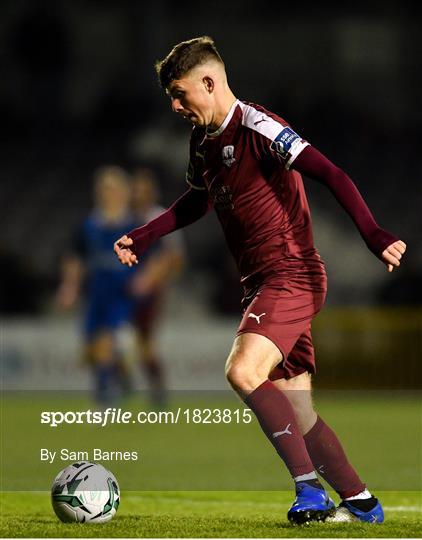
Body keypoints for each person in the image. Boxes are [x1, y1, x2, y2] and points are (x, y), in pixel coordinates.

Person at [113, 37, 406, 524]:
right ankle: (361, 504)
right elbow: (198, 199)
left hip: (291, 273)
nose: (174, 104)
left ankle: (309, 491)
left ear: (209, 82)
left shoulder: (259, 125)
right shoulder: (203, 140)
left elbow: (330, 173)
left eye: (180, 93)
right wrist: (144, 235)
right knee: (298, 410)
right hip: (262, 281)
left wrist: (372, 234)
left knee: (243, 371)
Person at [57, 165, 139, 405]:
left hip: (122, 293)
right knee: (91, 350)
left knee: (105, 342)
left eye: (113, 189)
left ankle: (104, 398)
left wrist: (144, 279)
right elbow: (75, 257)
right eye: (104, 189)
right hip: (95, 292)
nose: (108, 194)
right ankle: (122, 375)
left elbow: (150, 256)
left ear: (123, 192)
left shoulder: (133, 223)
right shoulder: (88, 224)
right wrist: (69, 286)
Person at [130, 168, 184, 406]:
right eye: (136, 190)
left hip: (150, 291)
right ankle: (122, 385)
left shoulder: (158, 216)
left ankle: (157, 390)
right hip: (124, 288)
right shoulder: (126, 216)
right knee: (122, 341)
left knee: (145, 343)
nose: (139, 194)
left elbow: (175, 257)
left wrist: (152, 280)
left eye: (143, 190)